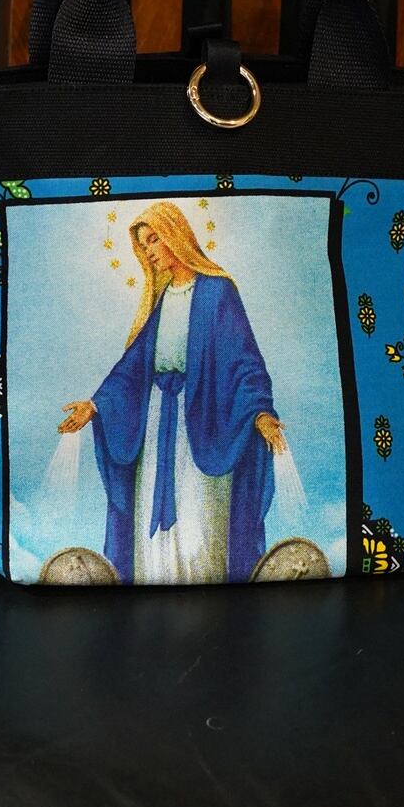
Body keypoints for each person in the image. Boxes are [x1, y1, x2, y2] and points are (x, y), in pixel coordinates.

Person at [58, 200, 285, 584]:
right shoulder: (159, 301)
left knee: (199, 526)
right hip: (156, 429)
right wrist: (95, 406)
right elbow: (133, 367)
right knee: (152, 532)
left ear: (175, 235)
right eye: (142, 244)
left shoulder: (217, 292)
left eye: (153, 239)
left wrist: (260, 412)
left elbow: (243, 360)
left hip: (205, 428)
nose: (148, 251)